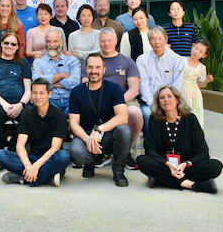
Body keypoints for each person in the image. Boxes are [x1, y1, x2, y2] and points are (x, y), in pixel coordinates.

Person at [136, 85, 223, 193]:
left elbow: (204, 152)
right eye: (162, 97)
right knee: (141, 161)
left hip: (187, 166)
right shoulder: (155, 119)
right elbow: (150, 149)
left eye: (169, 96)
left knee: (216, 166)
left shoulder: (191, 119)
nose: (166, 100)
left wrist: (186, 164)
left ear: (177, 99)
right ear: (158, 102)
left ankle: (161, 179)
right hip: (166, 166)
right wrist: (167, 164)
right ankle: (192, 185)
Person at [69, 53, 133, 187]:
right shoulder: (76, 92)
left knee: (125, 131)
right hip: (86, 135)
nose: (94, 71)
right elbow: (74, 124)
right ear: (85, 69)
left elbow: (122, 117)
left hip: (108, 134)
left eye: (98, 67)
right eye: (90, 67)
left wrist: (98, 130)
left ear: (104, 69)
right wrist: (88, 139)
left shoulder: (114, 89)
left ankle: (118, 170)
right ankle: (90, 163)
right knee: (76, 151)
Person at [82, 28, 142, 170]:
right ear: (99, 42)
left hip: (123, 100)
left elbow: (134, 89)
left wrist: (117, 102)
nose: (106, 43)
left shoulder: (127, 61)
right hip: (96, 100)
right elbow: (85, 83)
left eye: (109, 40)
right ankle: (103, 152)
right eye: (103, 41)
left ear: (116, 41)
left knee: (135, 112)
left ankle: (125, 151)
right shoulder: (92, 61)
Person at [0, 78, 71, 187]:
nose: (38, 97)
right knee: (0, 155)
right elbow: (20, 145)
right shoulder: (27, 114)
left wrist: (36, 167)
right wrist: (28, 166)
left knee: (64, 156)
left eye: (41, 93)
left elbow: (55, 148)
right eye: (34, 93)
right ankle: (46, 177)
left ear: (49, 94)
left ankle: (23, 178)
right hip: (32, 157)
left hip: (51, 159)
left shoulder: (60, 116)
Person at [0, 32, 32, 174]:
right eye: (6, 43)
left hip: (19, 104)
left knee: (30, 114)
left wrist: (20, 105)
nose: (9, 46)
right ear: (1, 44)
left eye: (13, 44)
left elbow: (28, 89)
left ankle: (11, 152)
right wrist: (3, 105)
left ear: (17, 47)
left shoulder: (23, 64)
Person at [136, 26, 184, 137]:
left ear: (166, 39)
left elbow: (177, 86)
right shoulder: (142, 60)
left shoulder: (177, 59)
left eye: (160, 38)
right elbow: (143, 85)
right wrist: (153, 104)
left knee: (179, 115)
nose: (157, 42)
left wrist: (167, 102)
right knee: (148, 115)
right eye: (153, 39)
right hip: (149, 102)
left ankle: (172, 147)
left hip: (170, 101)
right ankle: (150, 148)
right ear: (149, 41)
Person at [32, 29, 80, 115]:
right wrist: (61, 75)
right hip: (50, 102)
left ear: (62, 42)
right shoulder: (39, 62)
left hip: (71, 101)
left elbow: (75, 82)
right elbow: (37, 82)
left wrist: (49, 83)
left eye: (55, 41)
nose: (51, 45)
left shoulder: (72, 61)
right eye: (48, 41)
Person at [182, 42, 213, 128]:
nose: (196, 52)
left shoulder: (202, 67)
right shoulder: (182, 60)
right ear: (192, 47)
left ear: (204, 55)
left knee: (193, 112)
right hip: (180, 90)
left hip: (193, 94)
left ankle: (193, 135)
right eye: (196, 48)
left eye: (201, 51)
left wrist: (207, 80)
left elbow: (200, 84)